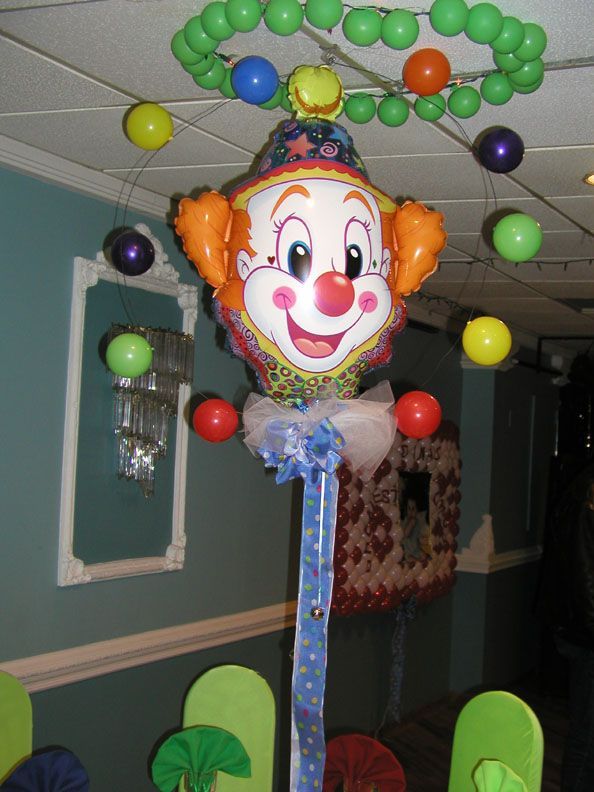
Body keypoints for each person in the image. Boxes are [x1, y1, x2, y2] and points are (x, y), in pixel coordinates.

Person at [546, 462, 594, 790]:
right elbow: (583, 576)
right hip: (587, 637)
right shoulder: (585, 499)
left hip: (582, 632)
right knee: (586, 736)